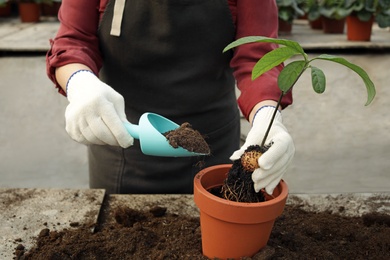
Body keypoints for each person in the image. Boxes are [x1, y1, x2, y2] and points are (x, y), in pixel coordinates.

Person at [46, 0, 295, 195]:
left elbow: (257, 56)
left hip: (214, 148)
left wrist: (267, 116)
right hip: (122, 146)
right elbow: (73, 40)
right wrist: (80, 82)